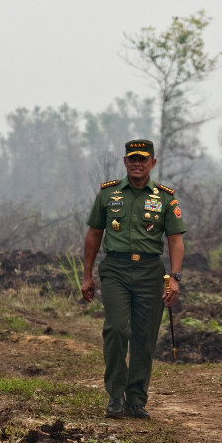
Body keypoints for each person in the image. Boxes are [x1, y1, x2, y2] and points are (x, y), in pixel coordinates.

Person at [81, 139, 186, 420]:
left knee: (144, 336)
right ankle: (116, 394)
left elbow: (175, 240)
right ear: (125, 162)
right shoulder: (108, 194)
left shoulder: (165, 198)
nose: (137, 163)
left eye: (143, 159)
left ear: (153, 163)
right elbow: (94, 234)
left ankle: (136, 400)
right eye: (132, 159)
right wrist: (87, 275)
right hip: (115, 269)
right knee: (116, 329)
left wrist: (174, 277)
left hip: (151, 272)